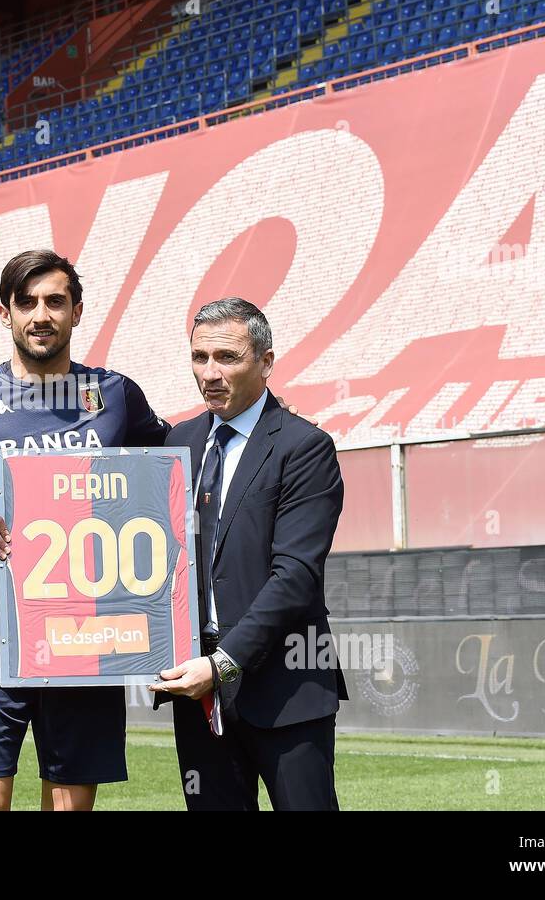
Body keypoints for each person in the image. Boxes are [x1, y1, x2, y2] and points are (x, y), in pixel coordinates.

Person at [0, 249, 169, 811]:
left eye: (55, 301)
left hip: (85, 640)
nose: (41, 314)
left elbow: (171, 470)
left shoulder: (117, 396)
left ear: (77, 312)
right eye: (26, 302)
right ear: (4, 313)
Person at [150, 297, 347, 811]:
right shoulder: (179, 443)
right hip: (196, 690)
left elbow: (296, 576)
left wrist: (223, 664)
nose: (209, 373)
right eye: (199, 357)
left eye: (227, 358)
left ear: (266, 361)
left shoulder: (305, 447)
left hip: (285, 687)